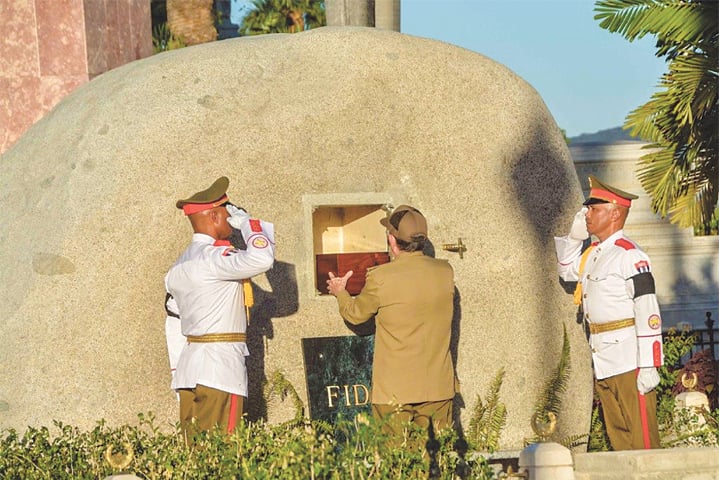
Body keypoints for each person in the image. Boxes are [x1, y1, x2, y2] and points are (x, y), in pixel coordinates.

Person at [326, 205, 456, 436]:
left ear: (392, 240)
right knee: (436, 463)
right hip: (438, 387)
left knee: (396, 463)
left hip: (395, 393)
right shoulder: (445, 272)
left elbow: (355, 314)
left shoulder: (381, 277)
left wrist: (340, 292)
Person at [554, 175, 664, 450]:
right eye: (587, 209)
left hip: (630, 359)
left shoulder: (630, 255)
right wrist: (573, 237)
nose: (587, 214)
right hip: (603, 357)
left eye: (594, 208)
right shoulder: (593, 253)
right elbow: (566, 271)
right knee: (619, 440)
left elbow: (647, 309)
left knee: (642, 442)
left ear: (615, 213)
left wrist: (650, 363)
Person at [165, 176, 275, 439]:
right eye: (228, 214)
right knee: (223, 451)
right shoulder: (216, 258)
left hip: (189, 370)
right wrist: (250, 224)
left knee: (195, 454)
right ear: (214, 217)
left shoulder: (177, 267)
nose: (231, 222)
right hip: (220, 370)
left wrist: (176, 370)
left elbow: (173, 323)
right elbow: (262, 258)